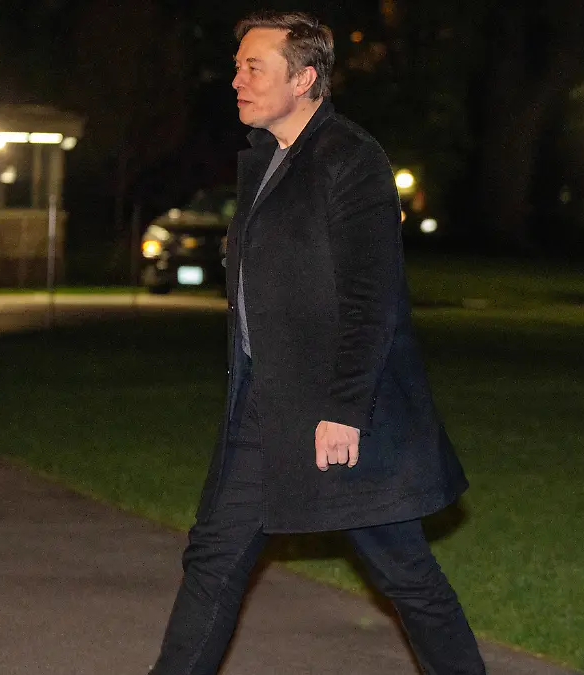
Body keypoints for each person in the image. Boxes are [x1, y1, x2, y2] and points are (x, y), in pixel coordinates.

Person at [150, 10, 486, 675]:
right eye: (237, 67)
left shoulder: (350, 159)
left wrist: (345, 408)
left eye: (254, 68)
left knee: (403, 571)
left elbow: (372, 298)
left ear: (303, 79)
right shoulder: (266, 161)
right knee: (214, 557)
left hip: (335, 411)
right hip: (262, 405)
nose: (237, 81)